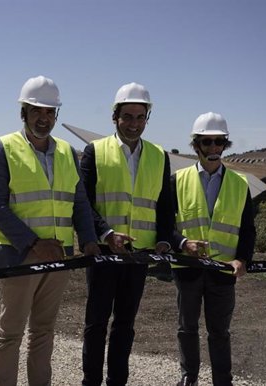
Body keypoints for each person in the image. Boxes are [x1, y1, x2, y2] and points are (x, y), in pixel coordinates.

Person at [0, 75, 100, 386]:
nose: (43, 118)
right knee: (11, 333)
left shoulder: (67, 152)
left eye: (49, 112)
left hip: (58, 258)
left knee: (44, 331)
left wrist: (88, 240)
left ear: (56, 115)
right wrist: (34, 243)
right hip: (19, 257)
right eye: (36, 111)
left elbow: (79, 203)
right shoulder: (3, 148)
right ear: (24, 112)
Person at [79, 82, 174, 386]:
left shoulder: (160, 156)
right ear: (115, 117)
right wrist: (105, 234)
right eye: (128, 116)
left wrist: (164, 239)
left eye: (140, 117)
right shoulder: (95, 151)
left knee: (125, 324)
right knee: (96, 323)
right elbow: (83, 203)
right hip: (105, 254)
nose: (134, 123)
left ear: (148, 118)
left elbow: (164, 206)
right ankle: (91, 382)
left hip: (139, 255)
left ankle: (117, 381)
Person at [171, 112, 256, 386]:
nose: (213, 148)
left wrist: (242, 259)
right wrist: (183, 244)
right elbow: (164, 225)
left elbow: (247, 229)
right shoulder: (177, 180)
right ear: (196, 145)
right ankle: (189, 378)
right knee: (187, 329)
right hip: (188, 268)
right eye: (206, 142)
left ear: (224, 145)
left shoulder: (239, 184)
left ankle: (223, 381)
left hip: (222, 272)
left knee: (219, 331)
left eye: (218, 142)